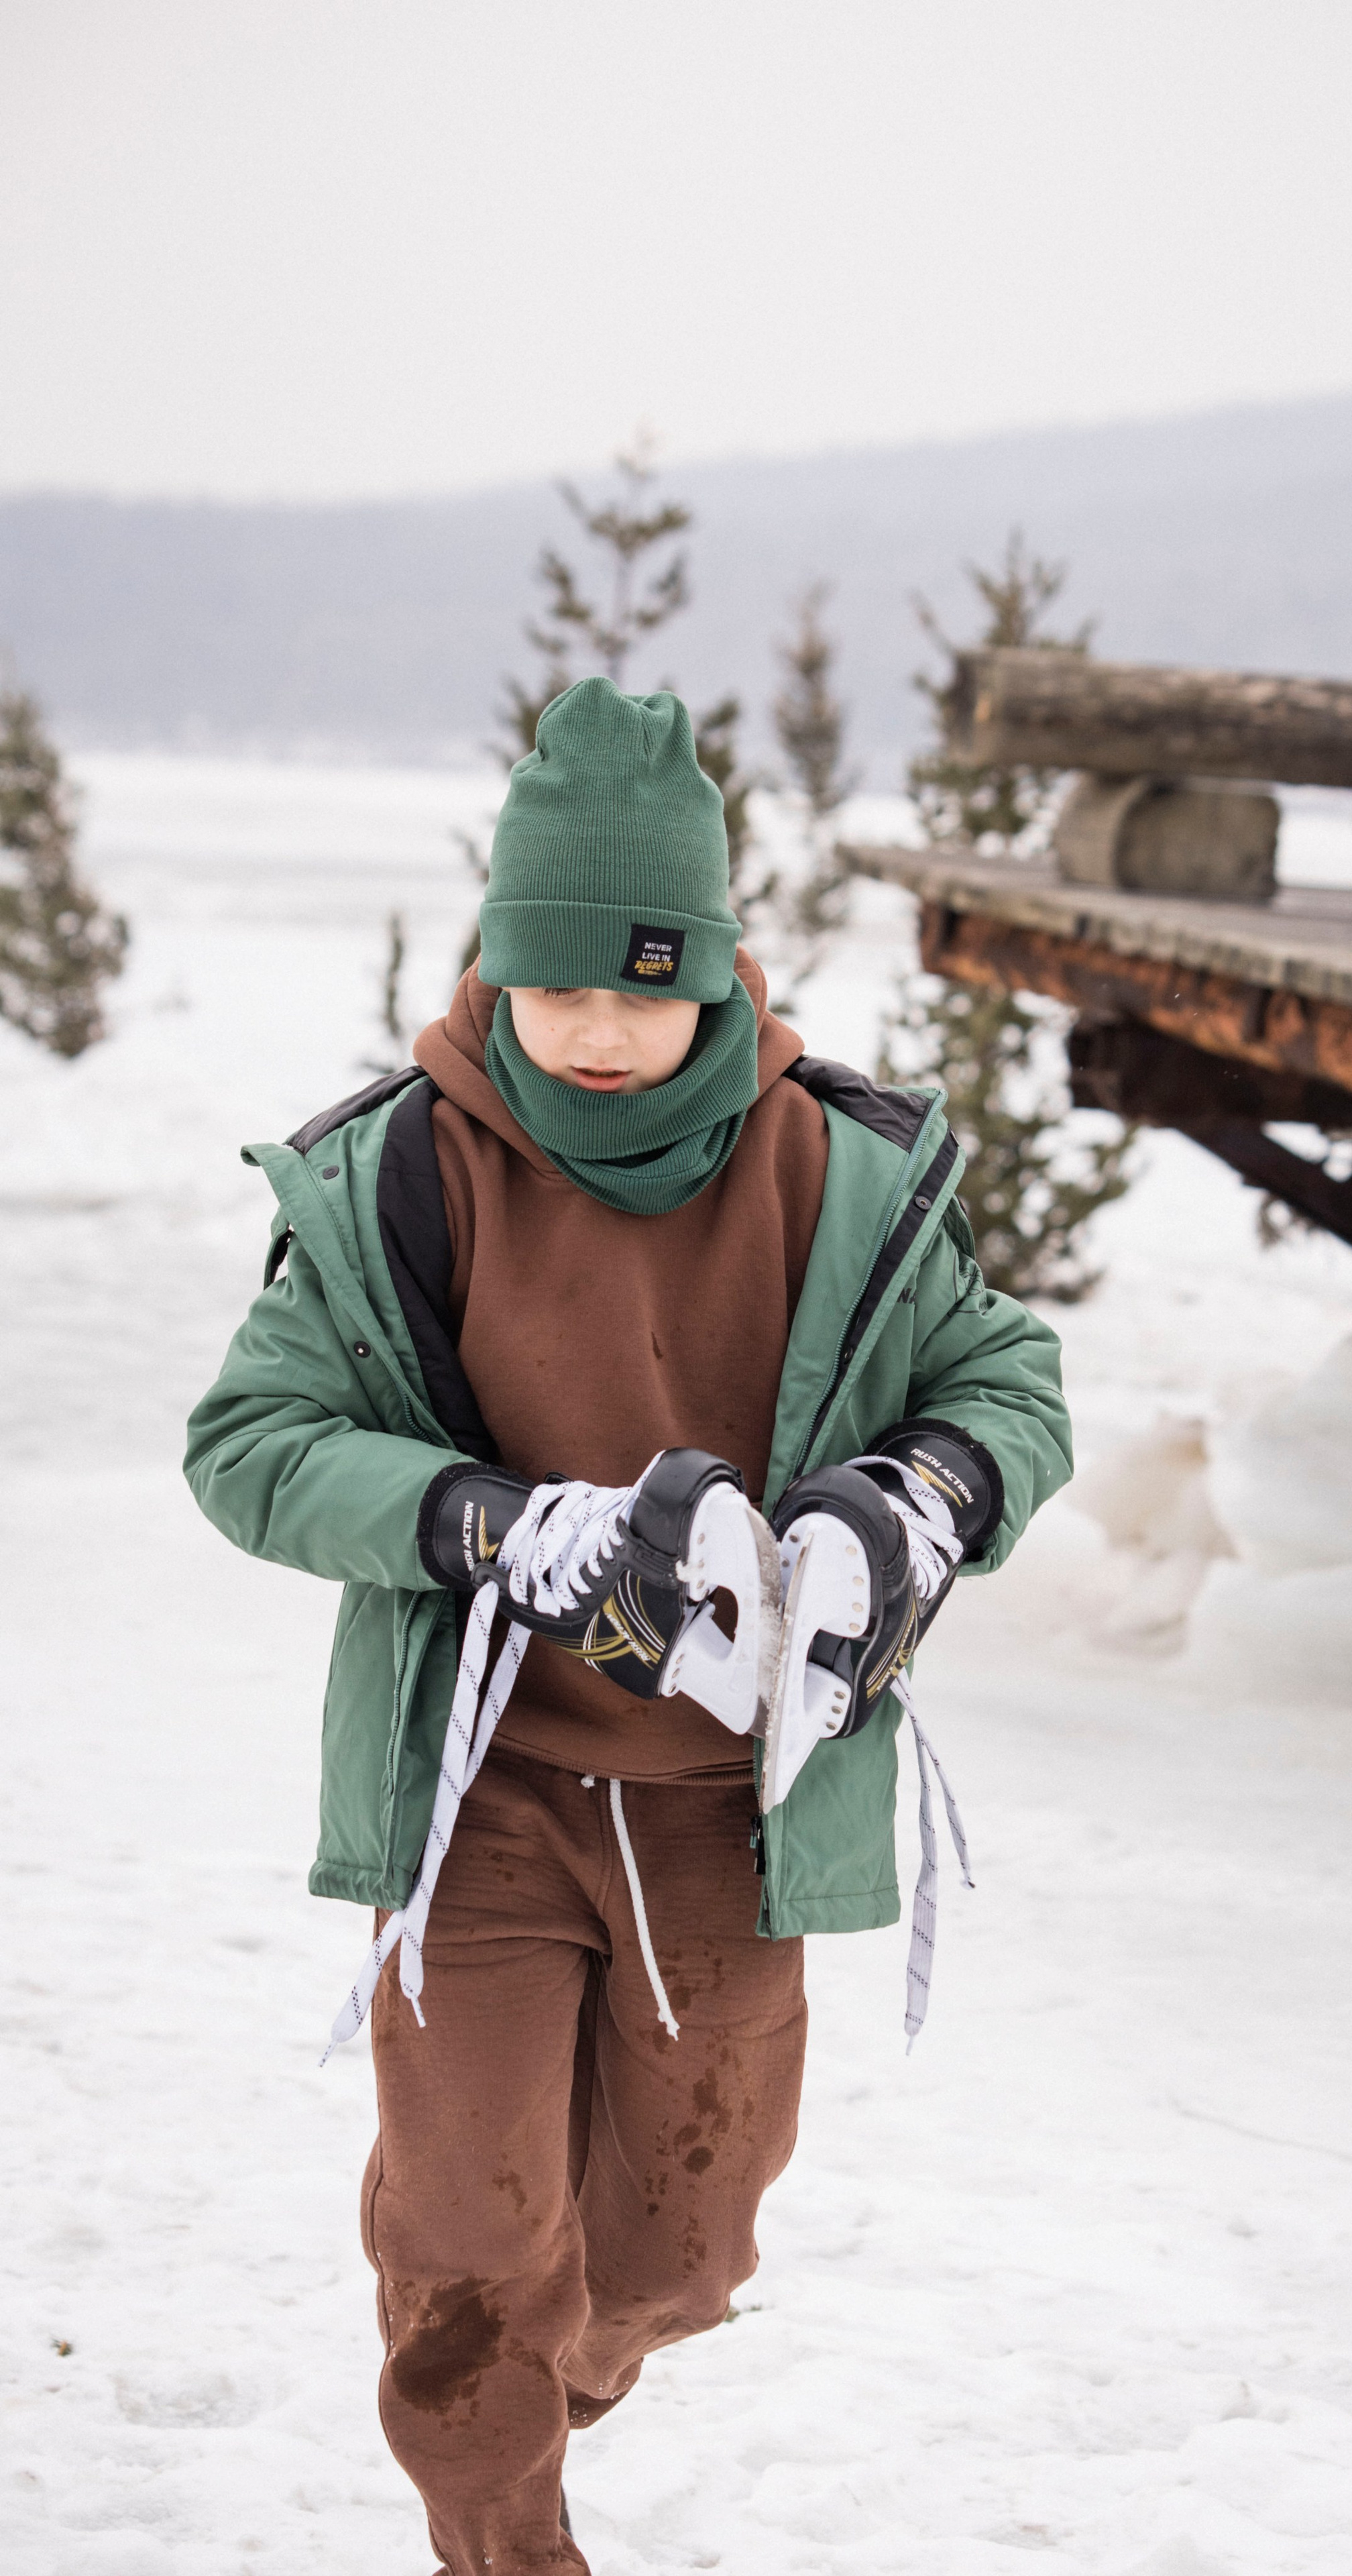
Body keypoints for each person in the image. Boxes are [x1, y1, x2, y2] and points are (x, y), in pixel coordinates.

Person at [185, 677, 1072, 2575]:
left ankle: (527, 2347)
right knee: (474, 2268)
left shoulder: (845, 1176)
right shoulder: (394, 1177)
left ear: (722, 970)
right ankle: (494, 2468)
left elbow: (1012, 1392)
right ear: (496, 963)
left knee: (679, 2258)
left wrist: (911, 1507)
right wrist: (490, 1523)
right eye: (554, 982)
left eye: (642, 983)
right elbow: (251, 1445)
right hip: (481, 1795)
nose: (595, 1028)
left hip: (730, 1815)